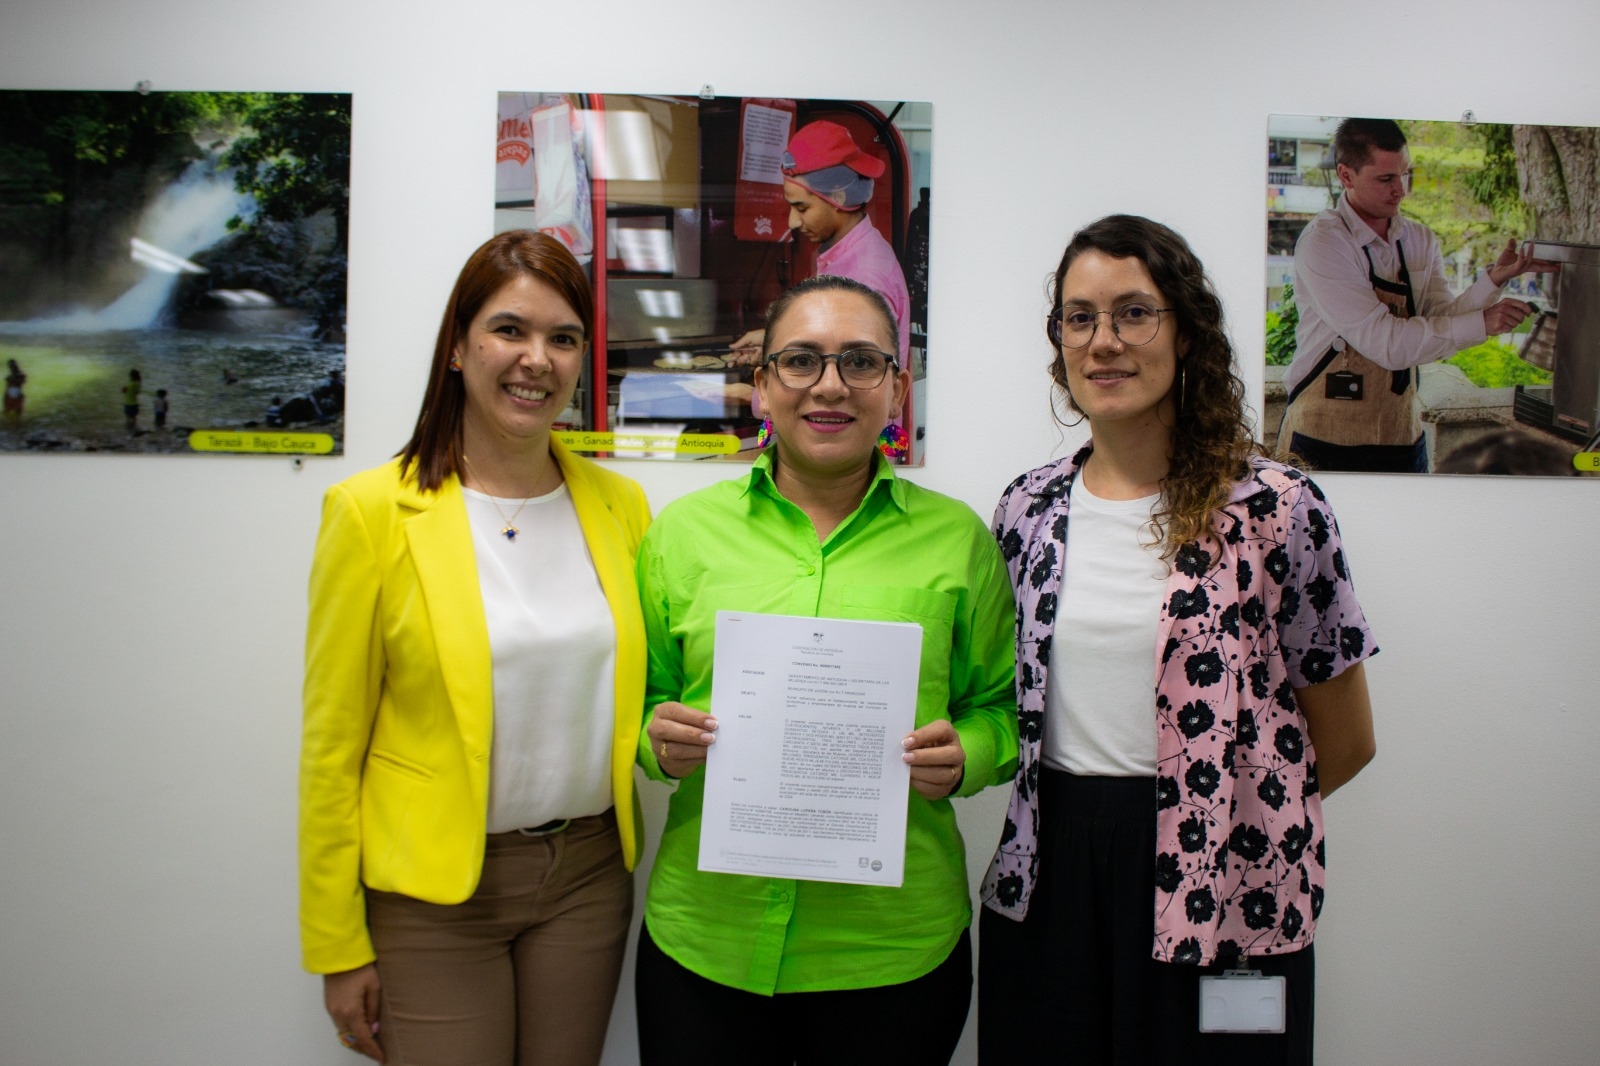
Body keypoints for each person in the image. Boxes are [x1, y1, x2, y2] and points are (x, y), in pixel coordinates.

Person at [979, 215, 1378, 1064]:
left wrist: (1230, 818)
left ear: (1187, 331)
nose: (1103, 341)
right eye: (1078, 317)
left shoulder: (1277, 508)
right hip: (1053, 871)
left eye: (1134, 312)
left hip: (1227, 880)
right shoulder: (1027, 509)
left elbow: (1344, 742)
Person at [634, 275, 1018, 1065]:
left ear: (897, 389)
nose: (831, 386)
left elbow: (1004, 709)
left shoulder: (958, 542)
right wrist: (653, 737)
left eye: (861, 362)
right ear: (763, 387)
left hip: (891, 951)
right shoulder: (681, 536)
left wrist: (968, 756)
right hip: (710, 941)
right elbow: (640, 699)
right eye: (802, 361)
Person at [299, 230, 651, 1066]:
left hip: (589, 876)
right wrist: (336, 944)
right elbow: (331, 747)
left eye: (563, 338)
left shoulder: (621, 505)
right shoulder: (373, 512)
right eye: (509, 330)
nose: (537, 360)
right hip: (434, 894)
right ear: (458, 347)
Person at [1278, 117, 1556, 473]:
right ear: (1346, 175)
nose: (1401, 190)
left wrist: (1491, 283)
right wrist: (1483, 323)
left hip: (1402, 433)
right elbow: (1387, 344)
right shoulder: (1325, 241)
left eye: (1406, 174)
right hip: (1321, 434)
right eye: (1386, 179)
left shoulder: (1419, 239)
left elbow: (1440, 316)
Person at [729, 121, 914, 455]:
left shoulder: (864, 276)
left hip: (851, 453)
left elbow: (850, 377)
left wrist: (757, 397)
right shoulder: (849, 255)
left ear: (839, 198)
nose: (792, 222)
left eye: (801, 207)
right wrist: (773, 338)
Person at [4, 358, 24, 424]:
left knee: (9, 413)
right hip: (16, 395)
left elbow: (8, 388)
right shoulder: (20, 375)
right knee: (17, 414)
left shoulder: (16, 376)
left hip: (12, 396)